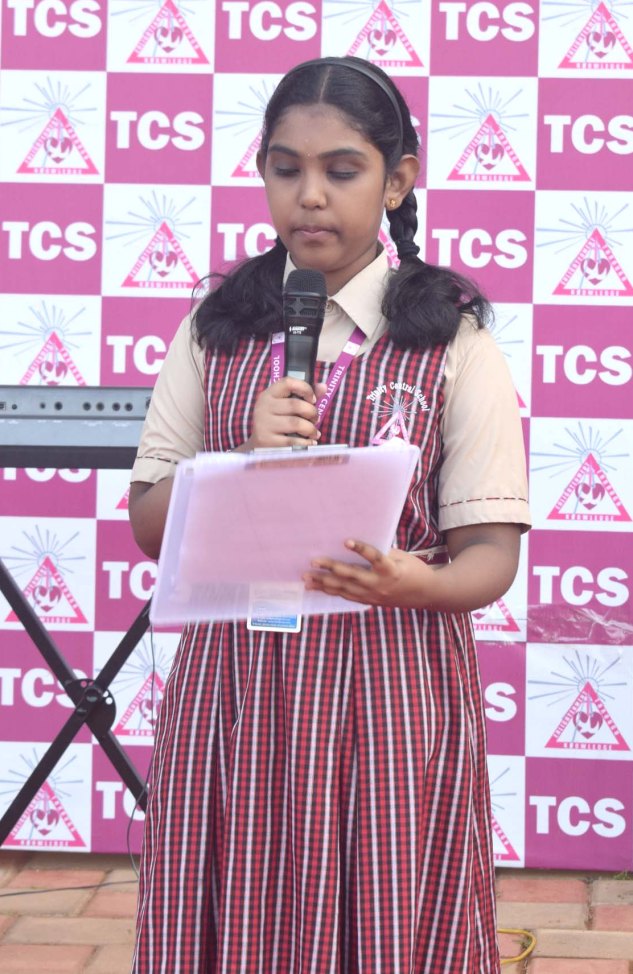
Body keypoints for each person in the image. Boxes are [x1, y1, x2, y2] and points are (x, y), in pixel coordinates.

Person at [129, 55, 530, 974]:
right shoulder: (216, 328)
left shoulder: (451, 339)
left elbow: (489, 554)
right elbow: (149, 522)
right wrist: (229, 465)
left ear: (396, 180)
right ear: (263, 172)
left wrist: (407, 580)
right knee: (233, 909)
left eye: (341, 171)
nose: (309, 196)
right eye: (287, 169)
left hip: (389, 689)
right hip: (238, 690)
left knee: (381, 917)